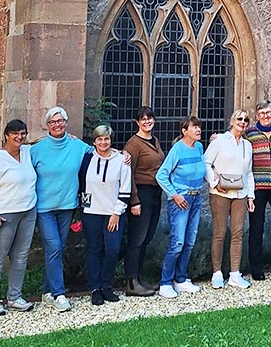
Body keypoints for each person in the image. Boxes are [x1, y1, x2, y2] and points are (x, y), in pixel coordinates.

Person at [30, 106, 95, 313]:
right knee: (55, 246)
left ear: (66, 123)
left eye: (60, 121)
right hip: (45, 208)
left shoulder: (77, 146)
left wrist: (124, 154)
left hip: (67, 206)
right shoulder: (37, 149)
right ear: (47, 125)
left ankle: (47, 291)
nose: (57, 125)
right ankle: (59, 294)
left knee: (56, 249)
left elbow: (100, 151)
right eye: (53, 122)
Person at [79, 125, 132, 305]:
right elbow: (81, 184)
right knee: (94, 250)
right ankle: (95, 289)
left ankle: (106, 286)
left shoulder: (121, 160)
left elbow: (125, 189)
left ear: (111, 140)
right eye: (100, 139)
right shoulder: (86, 159)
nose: (103, 142)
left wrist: (116, 213)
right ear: (94, 141)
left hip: (113, 213)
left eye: (107, 139)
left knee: (112, 249)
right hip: (91, 212)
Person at [155, 116, 206, 298]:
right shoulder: (177, 149)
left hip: (196, 198)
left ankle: (181, 279)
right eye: (194, 127)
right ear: (184, 131)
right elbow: (161, 175)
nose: (198, 130)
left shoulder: (199, 147)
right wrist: (174, 195)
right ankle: (165, 282)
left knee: (190, 242)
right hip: (181, 200)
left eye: (199, 127)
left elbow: (204, 168)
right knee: (177, 242)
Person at [204, 109, 255, 289]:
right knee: (219, 233)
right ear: (232, 120)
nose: (242, 122)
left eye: (246, 120)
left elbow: (249, 173)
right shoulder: (220, 141)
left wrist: (251, 196)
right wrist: (214, 181)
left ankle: (235, 273)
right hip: (220, 193)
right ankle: (217, 272)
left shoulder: (247, 146)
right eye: (239, 118)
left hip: (240, 194)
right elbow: (206, 162)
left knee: (238, 233)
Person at [0, 119, 37, 315]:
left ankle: (14, 297)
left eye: (23, 133)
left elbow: (45, 142)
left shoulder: (27, 153)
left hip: (28, 211)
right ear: (6, 136)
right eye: (15, 133)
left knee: (20, 256)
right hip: (6, 214)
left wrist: (68, 136)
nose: (19, 137)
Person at [123, 106, 164, 296]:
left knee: (146, 238)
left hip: (155, 193)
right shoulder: (133, 144)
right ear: (137, 122)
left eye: (150, 118)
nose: (147, 121)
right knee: (137, 239)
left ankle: (139, 278)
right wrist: (134, 201)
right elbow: (128, 174)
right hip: (141, 193)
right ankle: (131, 283)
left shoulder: (154, 140)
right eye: (143, 119)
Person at [246, 100, 271, 280]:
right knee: (256, 228)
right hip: (257, 188)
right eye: (262, 113)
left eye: (268, 113)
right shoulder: (250, 135)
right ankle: (257, 268)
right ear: (257, 116)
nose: (265, 116)